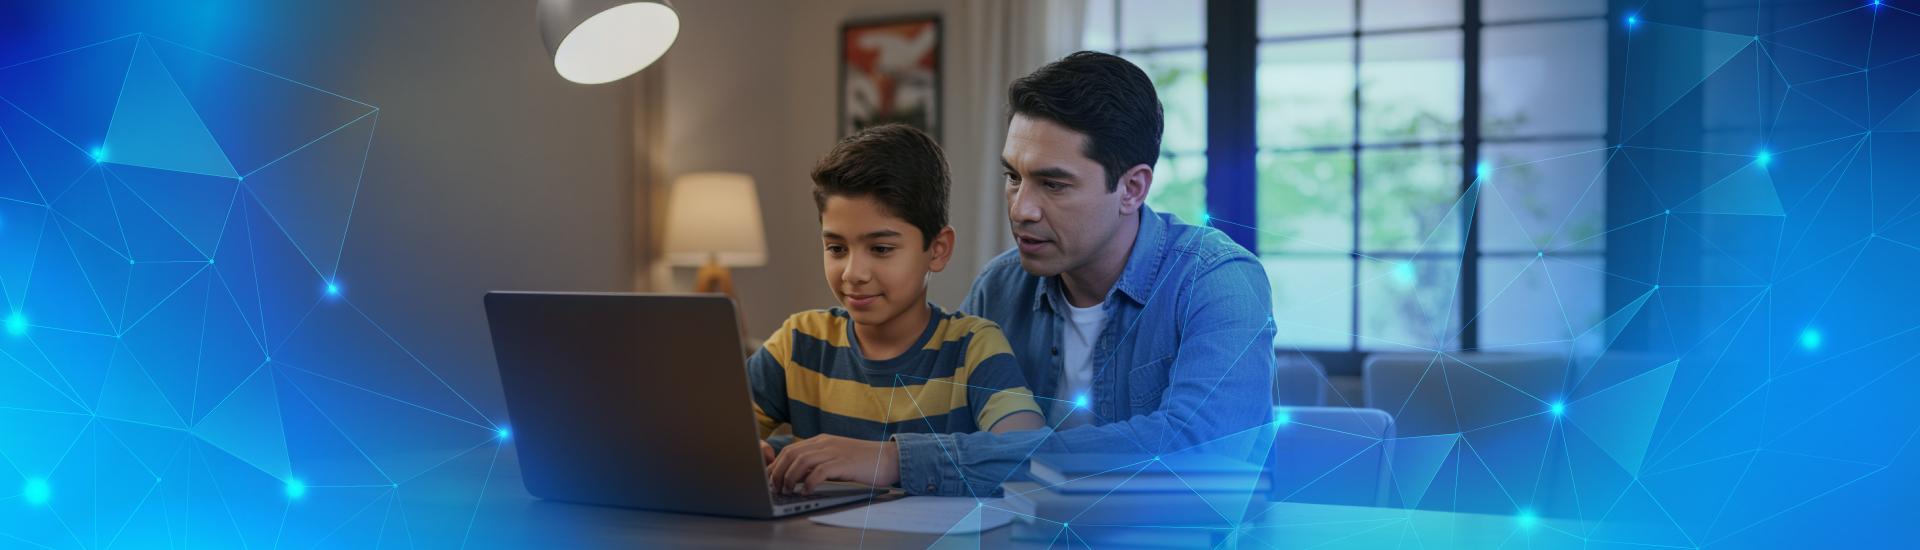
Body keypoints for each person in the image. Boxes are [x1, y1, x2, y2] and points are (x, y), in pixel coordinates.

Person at [770, 52, 1275, 497]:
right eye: (1013, 176)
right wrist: (787, 453)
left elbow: (1199, 452)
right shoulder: (1001, 286)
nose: (1020, 209)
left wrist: (900, 460)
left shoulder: (1218, 282)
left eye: (1052, 184)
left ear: (1132, 189)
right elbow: (943, 424)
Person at [754, 123, 1046, 496]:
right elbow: (709, 434)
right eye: (836, 248)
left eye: (881, 249)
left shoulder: (974, 347)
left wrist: (891, 459)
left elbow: (1032, 458)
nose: (853, 273)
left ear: (938, 249)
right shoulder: (798, 343)